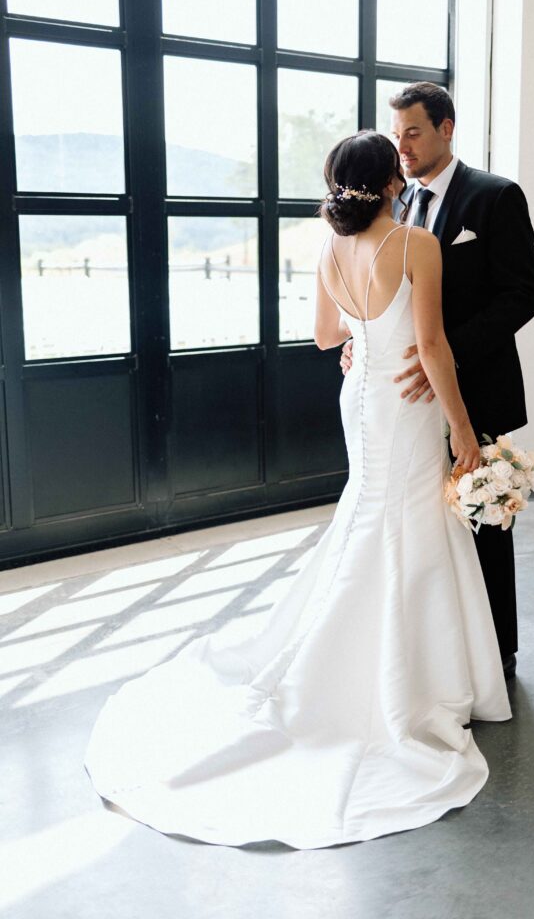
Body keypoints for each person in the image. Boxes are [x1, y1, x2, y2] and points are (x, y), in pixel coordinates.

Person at [85, 131, 511, 851]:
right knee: (404, 521)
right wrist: (464, 433)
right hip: (407, 406)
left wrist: (363, 339)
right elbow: (433, 346)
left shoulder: (328, 247)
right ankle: (409, 678)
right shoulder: (415, 245)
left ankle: (374, 659)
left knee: (373, 516)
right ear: (389, 185)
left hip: (362, 398)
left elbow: (322, 337)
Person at [342, 84, 534, 678]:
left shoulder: (495, 197)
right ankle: (429, 656)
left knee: (481, 522)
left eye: (414, 132)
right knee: (418, 527)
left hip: (473, 386)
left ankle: (495, 655)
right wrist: (363, 338)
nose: (401, 146)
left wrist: (445, 357)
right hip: (402, 400)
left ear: (446, 129)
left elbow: (522, 296)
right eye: (396, 132)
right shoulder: (389, 203)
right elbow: (384, 292)